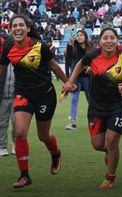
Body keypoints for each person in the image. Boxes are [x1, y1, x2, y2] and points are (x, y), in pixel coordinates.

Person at [0, 15, 72, 188]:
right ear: (11, 29)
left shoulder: (39, 46)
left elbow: (54, 66)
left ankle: (55, 153)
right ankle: (24, 175)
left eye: (21, 25)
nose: (17, 28)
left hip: (44, 95)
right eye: (14, 26)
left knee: (43, 136)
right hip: (23, 94)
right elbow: (1, 68)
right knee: (20, 132)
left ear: (27, 28)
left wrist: (67, 82)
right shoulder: (8, 46)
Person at [64, 28, 122, 189]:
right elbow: (80, 64)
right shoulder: (92, 56)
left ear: (117, 40)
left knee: (111, 141)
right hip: (96, 107)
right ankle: (110, 153)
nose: (109, 41)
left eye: (112, 37)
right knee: (98, 144)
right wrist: (70, 80)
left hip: (118, 107)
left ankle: (110, 176)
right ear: (100, 42)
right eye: (105, 38)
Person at [65, 30, 94, 130]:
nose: (79, 37)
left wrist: (91, 67)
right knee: (74, 98)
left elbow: (95, 60)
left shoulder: (90, 47)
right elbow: (68, 57)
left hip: (87, 77)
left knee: (90, 99)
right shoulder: (74, 46)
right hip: (76, 77)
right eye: (78, 35)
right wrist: (69, 44)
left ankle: (94, 120)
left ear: (85, 37)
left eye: (81, 35)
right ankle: (73, 122)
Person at [0, 35, 15, 156]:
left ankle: (16, 145)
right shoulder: (1, 61)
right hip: (3, 98)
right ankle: (2, 146)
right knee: (2, 123)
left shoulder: (18, 61)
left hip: (16, 97)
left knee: (17, 123)